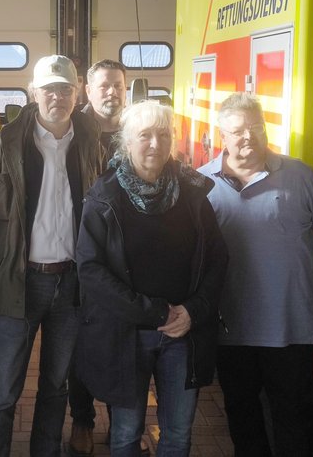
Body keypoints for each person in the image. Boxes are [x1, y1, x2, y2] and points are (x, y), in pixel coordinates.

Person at [0, 54, 103, 457]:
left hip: (71, 286)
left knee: (56, 386)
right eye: (49, 89)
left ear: (77, 94)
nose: (57, 96)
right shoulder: (3, 146)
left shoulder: (93, 145)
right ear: (33, 92)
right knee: (4, 391)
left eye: (65, 89)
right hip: (17, 284)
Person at [75, 100, 228, 457]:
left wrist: (193, 312)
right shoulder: (104, 197)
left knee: (177, 433)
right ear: (127, 143)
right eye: (144, 135)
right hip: (128, 333)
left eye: (163, 134)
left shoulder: (193, 194)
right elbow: (90, 269)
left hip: (183, 334)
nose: (155, 144)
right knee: (126, 433)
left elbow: (218, 259)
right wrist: (155, 313)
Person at [197, 92, 313, 457]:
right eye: (238, 130)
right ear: (222, 136)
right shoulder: (200, 185)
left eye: (255, 127)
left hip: (290, 327)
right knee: (242, 413)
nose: (248, 137)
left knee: (293, 415)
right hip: (231, 327)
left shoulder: (301, 176)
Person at [69, 58, 141, 456]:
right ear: (88, 90)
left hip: (127, 259)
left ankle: (123, 424)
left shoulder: (136, 130)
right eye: (104, 86)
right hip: (80, 254)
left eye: (118, 85)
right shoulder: (73, 131)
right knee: (80, 342)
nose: (112, 92)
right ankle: (82, 419)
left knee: (124, 344)